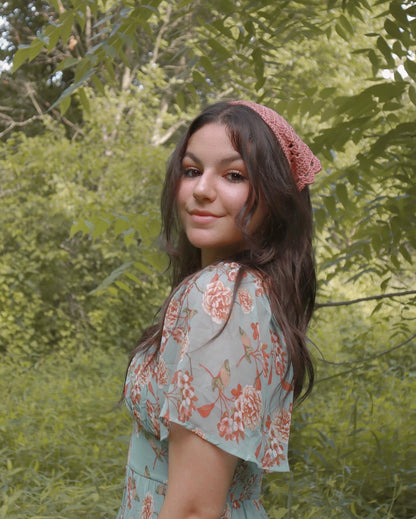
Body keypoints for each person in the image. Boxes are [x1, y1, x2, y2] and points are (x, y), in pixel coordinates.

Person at [116, 100, 321, 519]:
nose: (202, 189)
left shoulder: (224, 296)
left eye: (233, 175)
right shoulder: (250, 291)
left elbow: (194, 509)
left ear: (276, 197)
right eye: (192, 171)